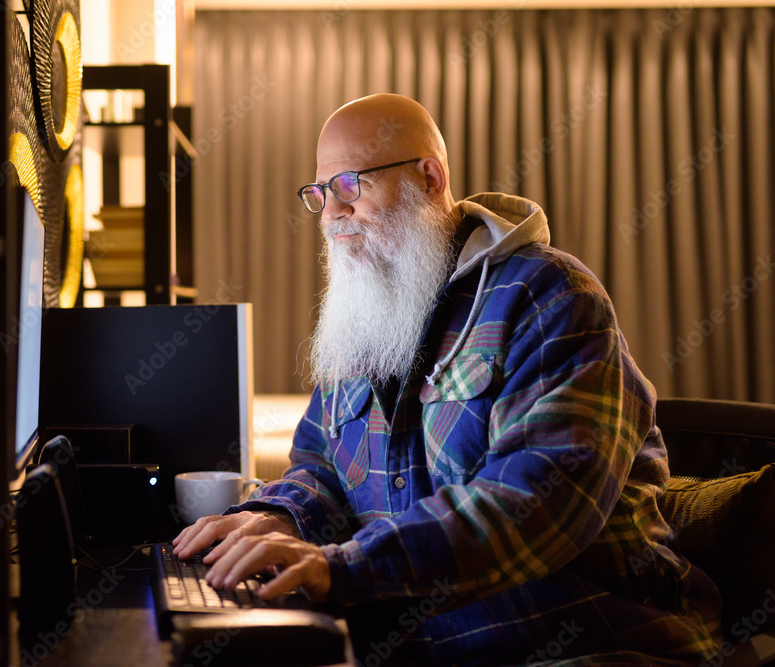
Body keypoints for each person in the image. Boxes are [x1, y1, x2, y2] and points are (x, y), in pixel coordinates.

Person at [173, 93, 722, 664]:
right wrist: (279, 518)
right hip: (418, 644)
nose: (332, 212)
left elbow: (536, 502)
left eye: (349, 186)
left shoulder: (549, 296)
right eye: (320, 193)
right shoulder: (370, 310)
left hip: (580, 642)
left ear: (429, 177)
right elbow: (321, 466)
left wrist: (345, 568)